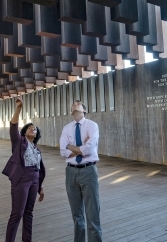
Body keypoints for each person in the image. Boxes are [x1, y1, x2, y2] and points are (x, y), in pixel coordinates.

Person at [2, 96, 45, 242]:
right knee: (17, 214)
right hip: (22, 179)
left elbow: (39, 169)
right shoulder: (19, 142)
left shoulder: (36, 149)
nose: (33, 129)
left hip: (34, 180)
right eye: (30, 127)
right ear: (25, 132)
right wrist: (18, 108)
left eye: (35, 128)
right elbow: (13, 126)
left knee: (29, 213)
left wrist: (40, 186)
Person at [59, 100, 102, 242]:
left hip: (88, 171)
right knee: (77, 216)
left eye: (79, 103)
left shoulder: (92, 126)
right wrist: (80, 149)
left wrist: (70, 146)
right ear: (71, 111)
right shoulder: (66, 128)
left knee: (92, 215)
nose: (75, 103)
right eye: (73, 103)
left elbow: (89, 149)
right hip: (70, 173)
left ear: (84, 110)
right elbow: (62, 151)